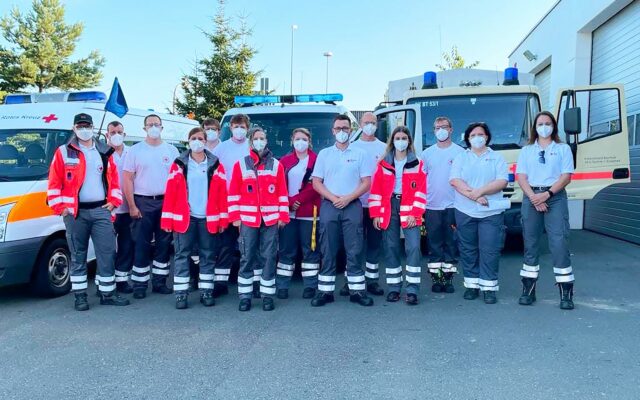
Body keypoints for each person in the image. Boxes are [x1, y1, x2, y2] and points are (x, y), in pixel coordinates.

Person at [46, 113, 129, 310]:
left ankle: (107, 293)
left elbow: (115, 182)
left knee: (107, 253)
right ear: (74, 128)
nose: (84, 129)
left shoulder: (104, 151)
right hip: (76, 214)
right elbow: (54, 183)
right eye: (80, 126)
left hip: (101, 211)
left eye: (87, 125)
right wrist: (61, 208)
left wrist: (114, 202)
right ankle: (80, 296)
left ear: (92, 127)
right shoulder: (64, 152)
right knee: (78, 255)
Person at [161, 127, 228, 309]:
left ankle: (206, 291)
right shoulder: (179, 164)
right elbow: (171, 193)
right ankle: (181, 294)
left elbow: (222, 194)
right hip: (186, 218)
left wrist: (223, 220)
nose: (197, 141)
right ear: (188, 141)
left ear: (206, 142)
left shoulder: (215, 164)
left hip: (208, 218)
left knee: (208, 255)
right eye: (193, 138)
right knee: (182, 255)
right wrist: (167, 220)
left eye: (200, 138)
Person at [310, 114, 373, 307]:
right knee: (327, 248)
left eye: (345, 129)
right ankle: (325, 292)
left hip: (352, 205)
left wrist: (348, 198)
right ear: (333, 131)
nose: (342, 132)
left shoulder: (360, 154)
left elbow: (366, 182)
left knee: (354, 249)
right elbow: (316, 182)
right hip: (330, 204)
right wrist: (333, 198)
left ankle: (356, 290)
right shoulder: (324, 154)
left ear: (351, 130)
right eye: (338, 129)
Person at [516, 111, 575, 310]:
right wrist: (534, 197)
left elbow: (566, 176)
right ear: (535, 127)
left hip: (555, 197)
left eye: (547, 123)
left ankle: (566, 292)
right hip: (531, 196)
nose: (544, 126)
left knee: (558, 242)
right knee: (530, 243)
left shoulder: (563, 148)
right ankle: (528, 290)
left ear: (553, 126)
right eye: (540, 123)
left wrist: (547, 195)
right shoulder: (526, 151)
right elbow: (521, 177)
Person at [228, 126, 290, 312]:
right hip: (248, 219)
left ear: (266, 141)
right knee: (247, 257)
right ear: (251, 141)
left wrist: (283, 216)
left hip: (270, 220)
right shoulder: (241, 164)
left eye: (262, 138)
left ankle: (267, 296)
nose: (259, 141)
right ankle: (245, 296)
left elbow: (282, 193)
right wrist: (235, 218)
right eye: (256, 138)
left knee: (269, 257)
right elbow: (233, 193)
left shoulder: (276, 165)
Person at [450, 122, 508, 304]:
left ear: (487, 137)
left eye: (480, 134)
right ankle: (471, 286)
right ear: (468, 138)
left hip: (490, 211)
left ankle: (489, 288)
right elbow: (455, 180)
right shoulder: (461, 157)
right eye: (473, 135)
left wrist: (479, 192)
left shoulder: (496, 157)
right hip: (465, 210)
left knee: (489, 249)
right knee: (468, 249)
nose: (477, 138)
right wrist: (474, 197)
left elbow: (502, 181)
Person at [122, 114, 180, 299]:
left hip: (166, 202)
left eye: (157, 124)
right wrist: (131, 205)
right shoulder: (135, 151)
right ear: (144, 128)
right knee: (141, 244)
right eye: (150, 124)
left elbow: (179, 180)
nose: (153, 127)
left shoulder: (172, 151)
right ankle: (139, 285)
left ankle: (160, 282)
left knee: (164, 243)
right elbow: (127, 179)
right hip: (142, 202)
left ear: (162, 128)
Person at [369, 126, 427, 305]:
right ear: (392, 141)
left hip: (410, 208)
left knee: (413, 247)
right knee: (391, 247)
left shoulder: (418, 163)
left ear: (409, 141)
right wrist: (376, 214)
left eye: (404, 138)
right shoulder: (383, 163)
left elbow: (421, 191)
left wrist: (416, 213)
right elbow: (376, 190)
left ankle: (412, 290)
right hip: (389, 206)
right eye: (397, 138)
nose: (400, 141)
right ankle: (394, 288)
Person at [276, 128, 322, 299]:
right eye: (297, 139)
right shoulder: (284, 161)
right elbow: (278, 184)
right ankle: (282, 286)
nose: (300, 142)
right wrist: (288, 202)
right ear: (292, 140)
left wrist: (298, 200)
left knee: (310, 250)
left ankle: (310, 285)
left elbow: (317, 185)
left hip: (310, 212)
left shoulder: (317, 160)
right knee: (286, 250)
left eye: (304, 139)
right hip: (288, 213)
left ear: (309, 141)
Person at [420, 117, 464, 293]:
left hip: (454, 205)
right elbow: (421, 180)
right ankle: (436, 279)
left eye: (444, 127)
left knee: (451, 244)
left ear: (451, 129)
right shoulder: (427, 154)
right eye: (437, 127)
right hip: (432, 206)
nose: (441, 130)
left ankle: (448, 278)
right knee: (434, 244)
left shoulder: (460, 152)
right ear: (434, 131)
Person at [211, 114, 251, 297]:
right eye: (235, 126)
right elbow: (213, 174)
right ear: (230, 127)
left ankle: (250, 281)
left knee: (249, 244)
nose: (239, 129)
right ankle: (221, 282)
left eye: (242, 126)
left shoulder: (252, 147)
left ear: (247, 128)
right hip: (226, 202)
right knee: (225, 244)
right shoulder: (222, 148)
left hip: (248, 203)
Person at [349, 112, 387, 296]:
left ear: (377, 125)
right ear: (360, 125)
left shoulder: (384, 148)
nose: (370, 125)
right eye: (366, 122)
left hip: (376, 205)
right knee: (353, 245)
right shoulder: (352, 147)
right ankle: (351, 279)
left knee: (373, 245)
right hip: (354, 203)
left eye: (373, 122)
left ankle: (372, 281)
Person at [105, 121, 135, 294]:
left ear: (124, 134)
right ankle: (106, 281)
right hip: (108, 209)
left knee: (126, 246)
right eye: (112, 131)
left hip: (127, 208)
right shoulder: (102, 153)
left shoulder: (132, 153)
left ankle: (122, 280)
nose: (116, 134)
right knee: (106, 248)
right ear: (107, 135)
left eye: (119, 131)